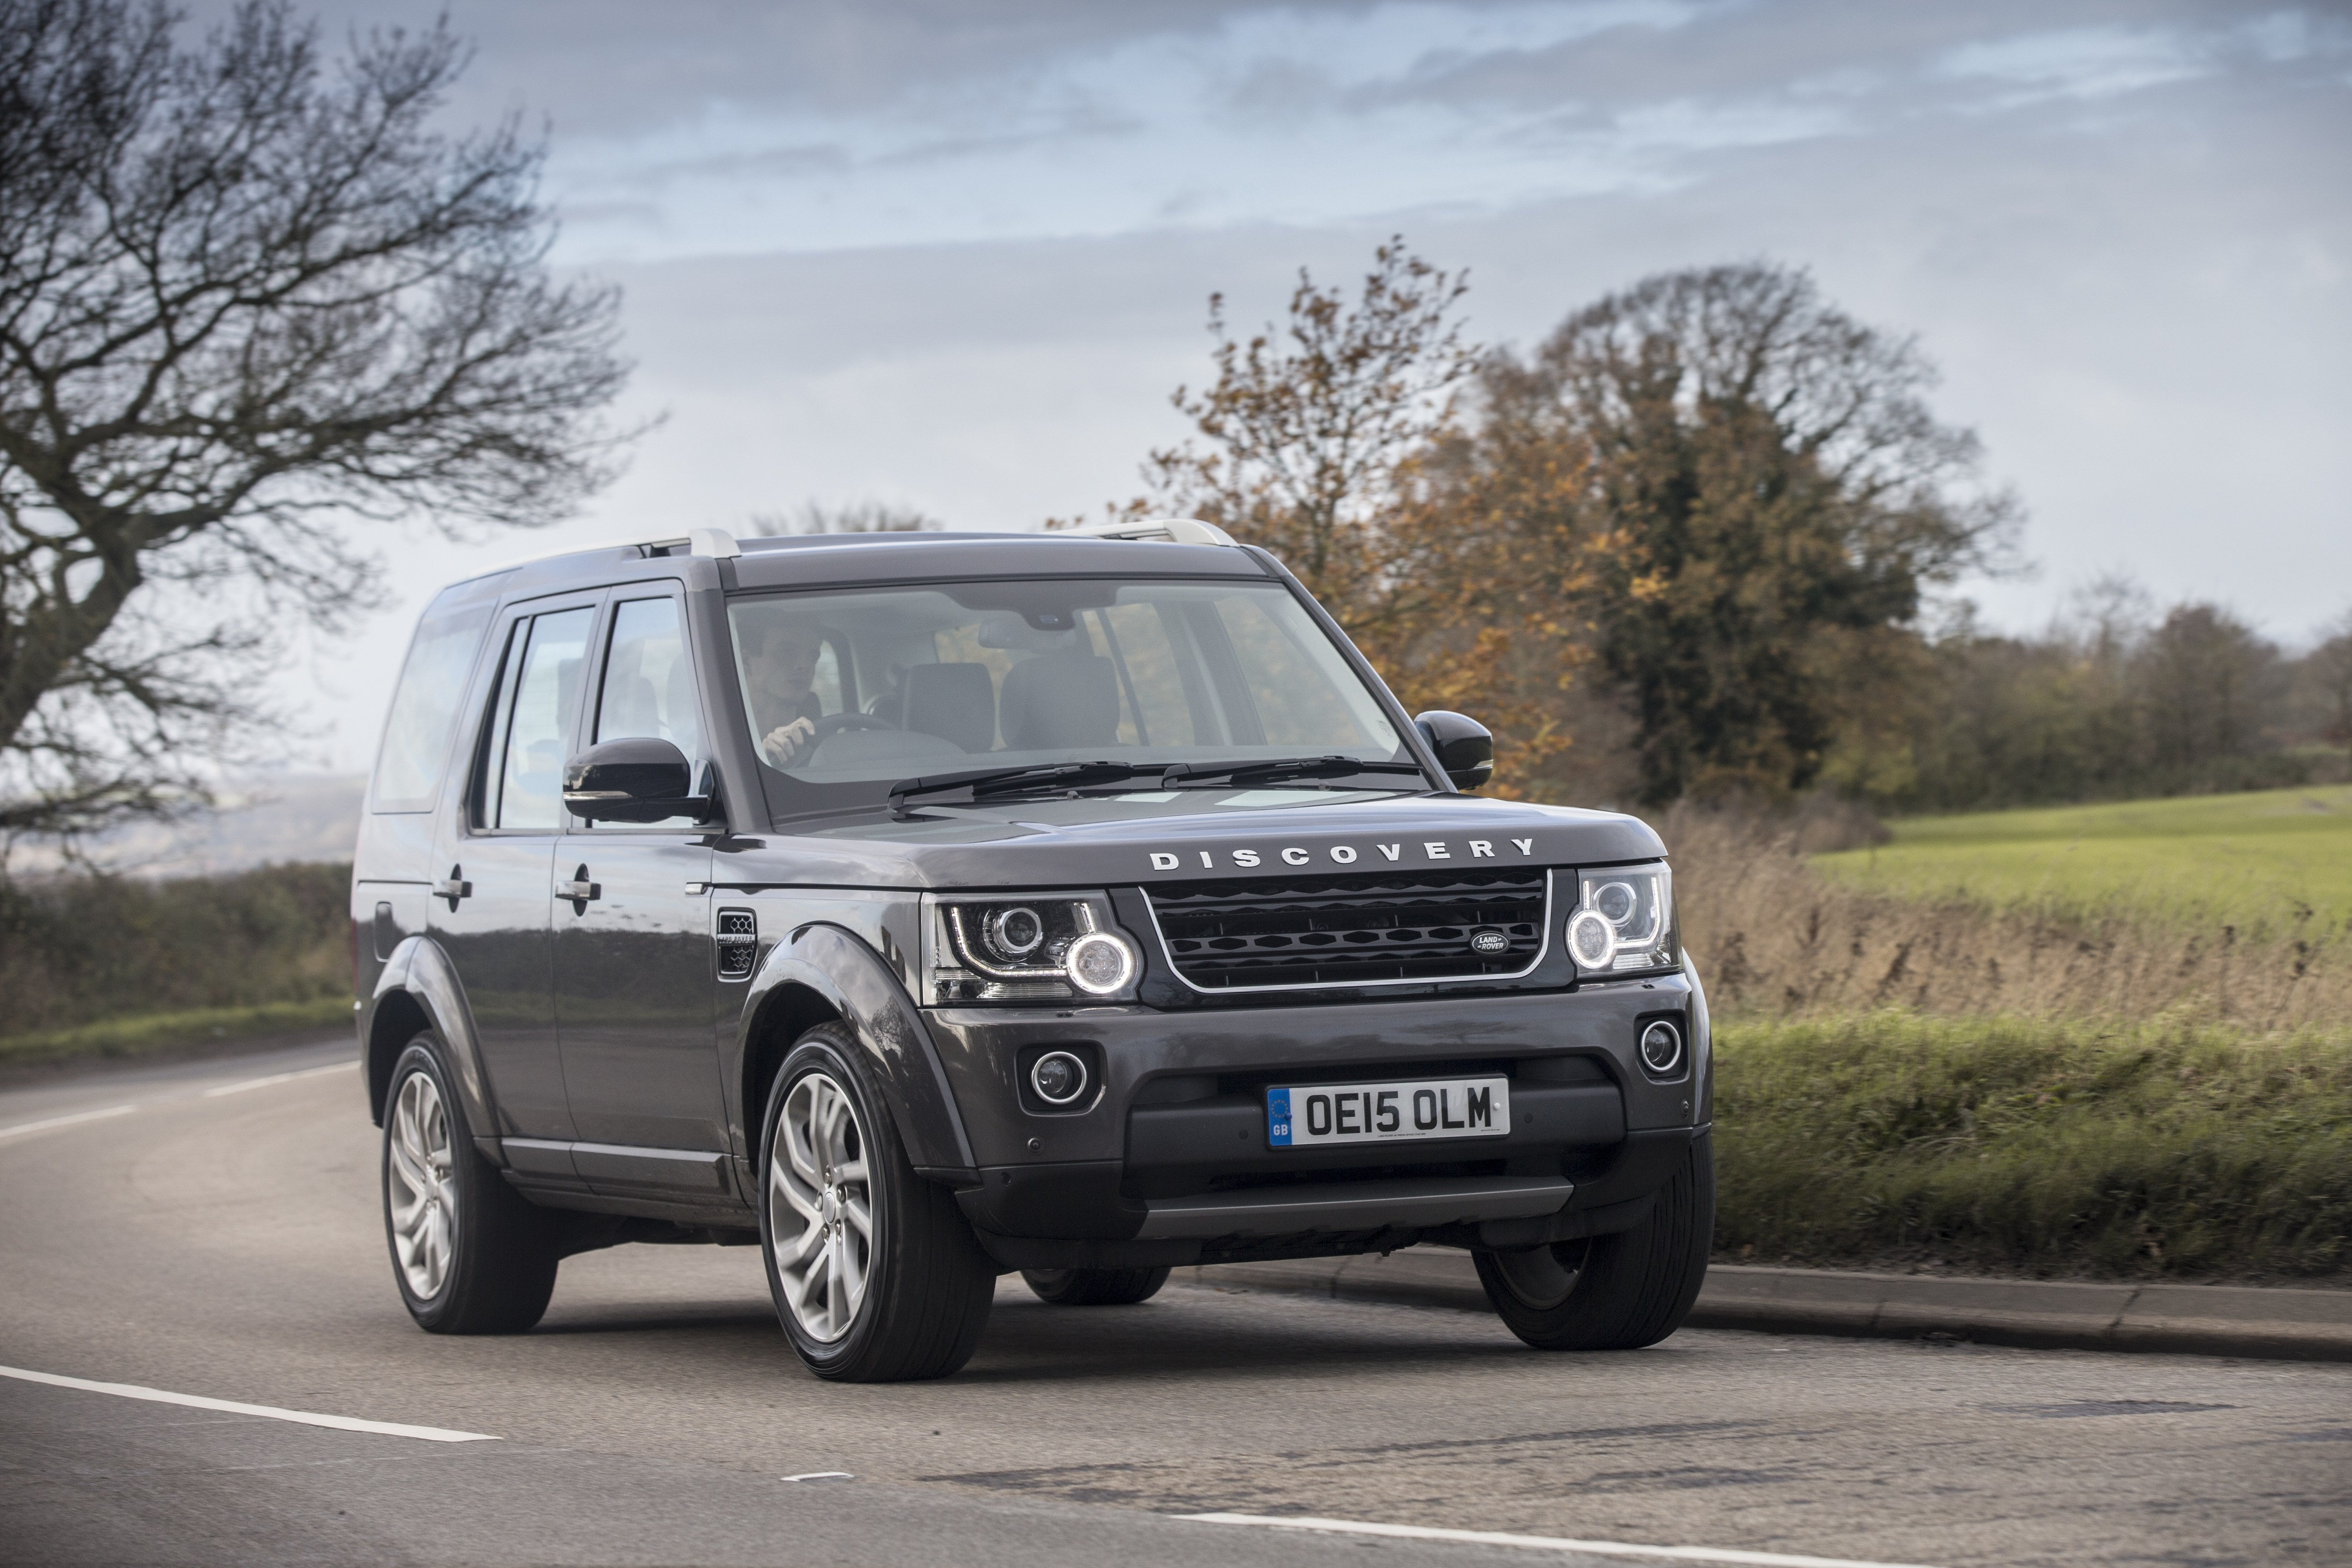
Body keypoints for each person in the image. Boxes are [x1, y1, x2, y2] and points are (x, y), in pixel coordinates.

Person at [746, 616, 828, 767]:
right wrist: (761, 758)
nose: (804, 665)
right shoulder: (722, 742)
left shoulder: (828, 750)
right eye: (786, 652)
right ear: (746, 663)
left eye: (813, 656)